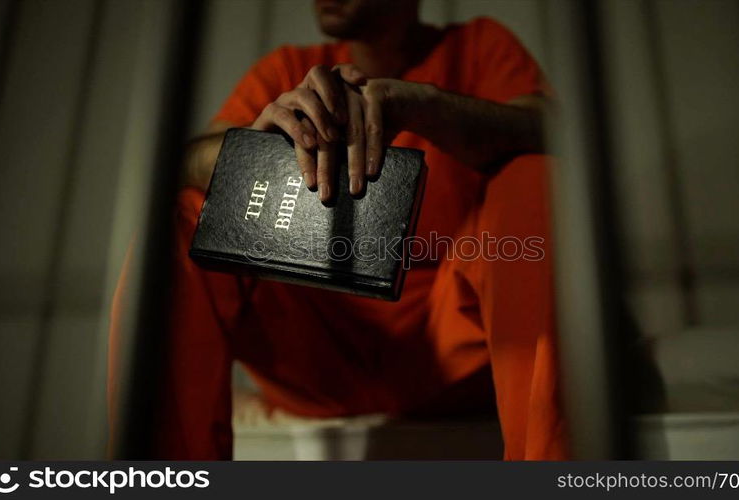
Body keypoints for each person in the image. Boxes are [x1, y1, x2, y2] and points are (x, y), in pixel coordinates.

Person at [124, 0, 568, 460]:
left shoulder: (477, 46)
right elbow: (181, 165)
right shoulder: (288, 69)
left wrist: (425, 104)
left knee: (533, 176)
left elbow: (557, 132)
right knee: (187, 214)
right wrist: (248, 152)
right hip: (316, 356)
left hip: (455, 351)